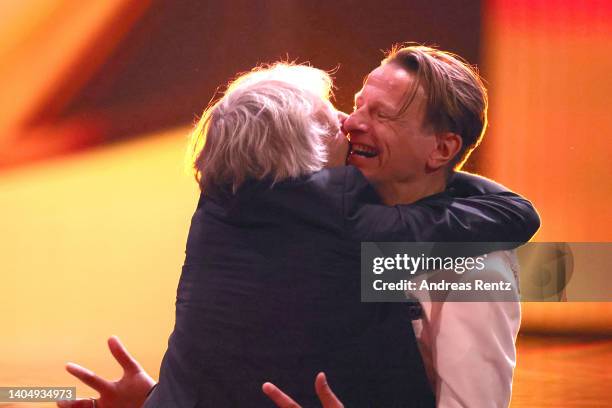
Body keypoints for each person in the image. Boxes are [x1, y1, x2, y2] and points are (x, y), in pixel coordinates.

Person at [58, 56, 538, 408]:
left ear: (442, 148)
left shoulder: (477, 266)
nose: (350, 123)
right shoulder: (302, 220)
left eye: (382, 115)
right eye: (355, 106)